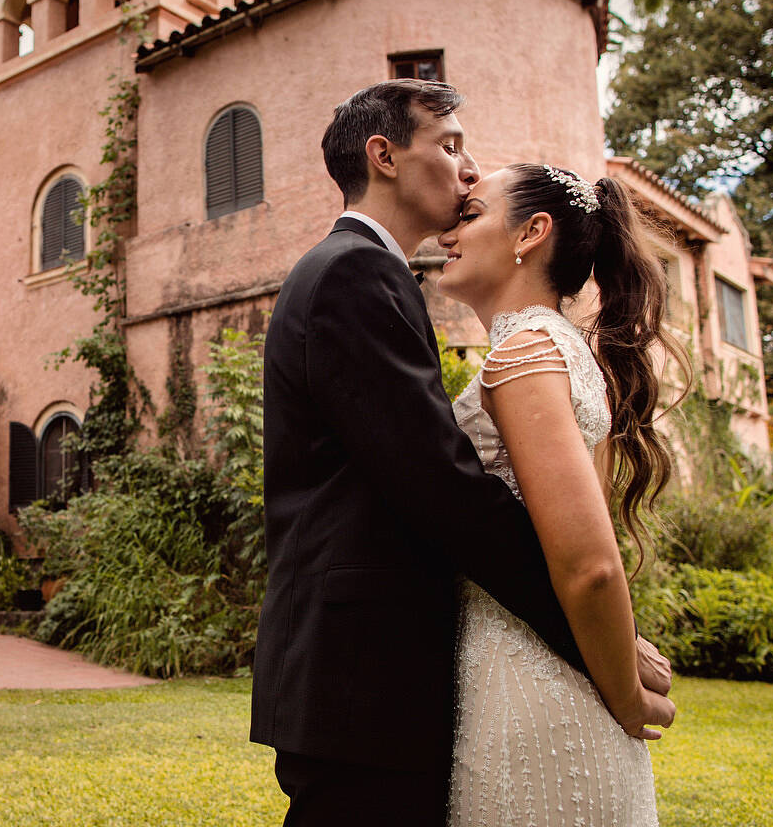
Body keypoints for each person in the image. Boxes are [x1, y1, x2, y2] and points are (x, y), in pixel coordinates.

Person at [250, 80, 673, 827]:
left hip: (380, 674)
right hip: (361, 673)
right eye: (449, 147)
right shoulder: (355, 272)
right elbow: (443, 487)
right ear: (383, 156)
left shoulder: (383, 281)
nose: (467, 170)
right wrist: (600, 644)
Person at [438, 162, 687, 826]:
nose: (446, 234)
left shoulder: (526, 349)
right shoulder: (565, 347)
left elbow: (591, 565)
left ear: (531, 233)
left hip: (529, 694)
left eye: (470, 215)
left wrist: (628, 698)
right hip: (545, 681)